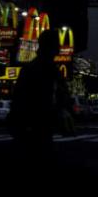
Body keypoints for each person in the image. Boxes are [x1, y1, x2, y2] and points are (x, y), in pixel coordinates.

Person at [7, 28, 69, 163]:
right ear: (50, 47)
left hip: (34, 125)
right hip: (35, 125)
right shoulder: (48, 70)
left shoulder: (35, 68)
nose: (59, 48)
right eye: (56, 44)